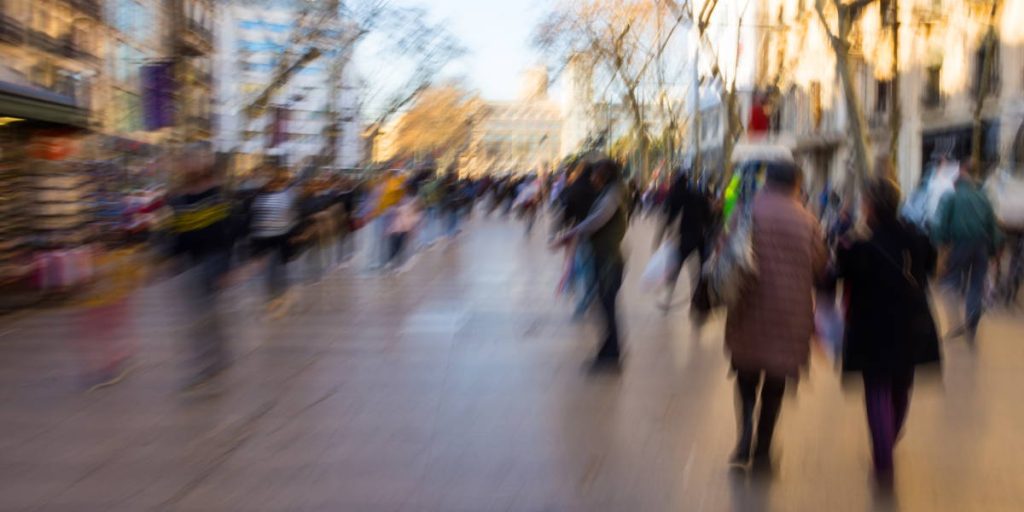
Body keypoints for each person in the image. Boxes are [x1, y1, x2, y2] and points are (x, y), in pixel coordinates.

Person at [836, 177, 941, 484]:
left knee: (877, 388)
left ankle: (884, 458)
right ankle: (889, 439)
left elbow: (836, 276)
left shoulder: (859, 243)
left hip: (872, 327)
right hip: (912, 323)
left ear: (870, 206)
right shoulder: (917, 236)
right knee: (901, 385)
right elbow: (932, 268)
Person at [725, 161, 826, 470]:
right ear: (797, 184)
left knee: (746, 372)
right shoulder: (808, 220)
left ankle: (744, 438)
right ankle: (764, 450)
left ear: (766, 181)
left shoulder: (745, 210)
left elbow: (727, 248)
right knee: (776, 380)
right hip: (791, 311)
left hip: (748, 306)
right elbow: (820, 266)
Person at [167, 145, 237, 390]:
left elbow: (227, 231)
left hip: (214, 259)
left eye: (193, 161)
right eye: (185, 162)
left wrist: (227, 266)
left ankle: (208, 361)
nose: (188, 166)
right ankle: (212, 357)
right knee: (200, 315)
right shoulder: (179, 196)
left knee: (205, 314)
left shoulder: (217, 193)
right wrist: (173, 257)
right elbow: (178, 230)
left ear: (203, 165)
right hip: (192, 261)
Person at [554, 159, 629, 371]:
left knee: (607, 307)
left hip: (608, 259)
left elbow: (598, 219)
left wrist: (571, 233)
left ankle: (612, 355)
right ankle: (607, 351)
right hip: (605, 256)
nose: (593, 177)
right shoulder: (610, 192)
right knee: (604, 307)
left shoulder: (613, 194)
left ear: (605, 175)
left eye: (596, 173)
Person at [931, 164, 1003, 342]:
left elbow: (940, 224)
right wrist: (994, 251)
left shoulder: (951, 197)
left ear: (956, 182)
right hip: (981, 245)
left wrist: (939, 246)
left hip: (958, 243)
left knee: (951, 280)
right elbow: (993, 227)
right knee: (977, 283)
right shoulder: (983, 198)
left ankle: (955, 324)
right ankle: (972, 316)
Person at [657, 169, 713, 311]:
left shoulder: (678, 194)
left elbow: (668, 216)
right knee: (700, 270)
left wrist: (660, 237)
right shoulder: (698, 194)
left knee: (676, 268)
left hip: (686, 237)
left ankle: (668, 299)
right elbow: (708, 216)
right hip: (700, 237)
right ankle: (698, 300)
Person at [250, 167, 298, 312]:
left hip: (282, 236)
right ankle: (272, 295)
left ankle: (280, 293)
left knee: (279, 266)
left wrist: (293, 232)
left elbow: (292, 215)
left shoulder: (287, 194)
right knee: (270, 267)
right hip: (264, 237)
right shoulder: (260, 196)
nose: (271, 183)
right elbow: (255, 216)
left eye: (274, 180)